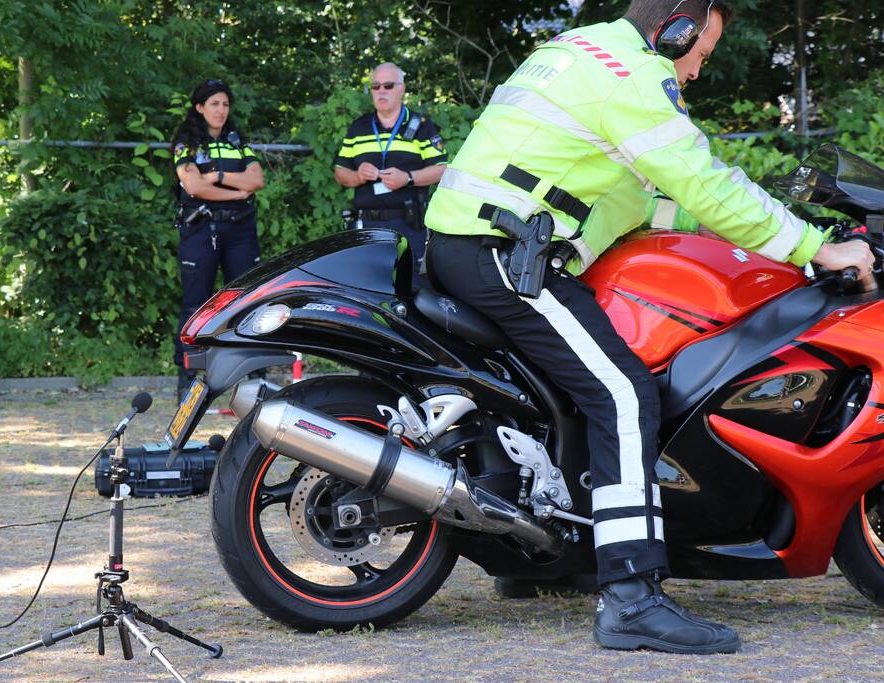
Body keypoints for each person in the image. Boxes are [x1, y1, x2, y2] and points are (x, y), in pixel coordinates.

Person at [422, 0, 873, 654]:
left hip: (480, 240)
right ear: (677, 30)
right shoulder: (634, 75)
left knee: (579, 389)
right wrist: (816, 247)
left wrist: (756, 242)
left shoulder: (583, 49)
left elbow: (643, 196)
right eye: (701, 53)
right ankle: (631, 597)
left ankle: (547, 558)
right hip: (503, 254)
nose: (696, 71)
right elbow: (703, 182)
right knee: (623, 394)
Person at [170, 79, 265, 401]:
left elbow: (257, 179)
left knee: (248, 301)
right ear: (199, 107)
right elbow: (194, 186)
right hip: (201, 230)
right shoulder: (186, 142)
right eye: (214, 104)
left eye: (225, 104)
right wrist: (236, 192)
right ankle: (188, 381)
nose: (221, 110)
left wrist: (220, 176)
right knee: (196, 305)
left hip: (240, 231)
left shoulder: (236, 140)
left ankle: (255, 380)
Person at [334, 63, 448, 266]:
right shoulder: (359, 128)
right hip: (367, 226)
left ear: (401, 89)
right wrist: (357, 176)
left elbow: (442, 170)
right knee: (366, 280)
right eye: (375, 86)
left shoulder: (421, 126)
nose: (381, 91)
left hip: (408, 225)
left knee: (410, 282)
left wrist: (408, 178)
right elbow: (340, 172)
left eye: (388, 85)